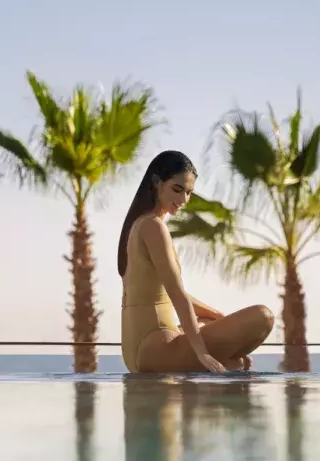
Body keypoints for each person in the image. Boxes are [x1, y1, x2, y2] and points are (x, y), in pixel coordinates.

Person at [117, 150, 275, 373]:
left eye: (189, 193)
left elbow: (165, 292)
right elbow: (177, 294)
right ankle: (213, 361)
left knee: (224, 345)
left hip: (141, 349)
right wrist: (202, 353)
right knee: (263, 317)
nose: (183, 200)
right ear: (156, 183)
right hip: (154, 349)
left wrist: (217, 316)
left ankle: (223, 364)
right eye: (177, 189)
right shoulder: (153, 226)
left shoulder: (140, 224)